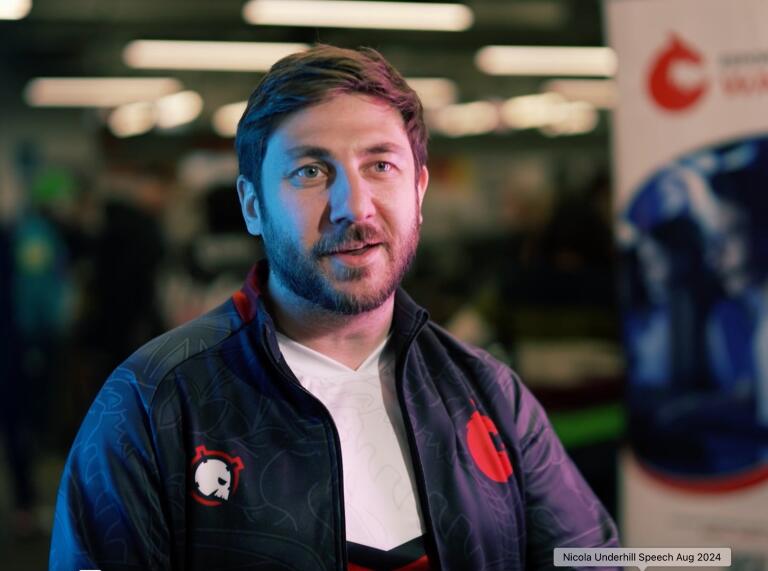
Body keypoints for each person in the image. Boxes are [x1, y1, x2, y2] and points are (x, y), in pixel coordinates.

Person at [50, 45, 619, 571]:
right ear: (253, 206)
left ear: (418, 191)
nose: (354, 206)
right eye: (311, 171)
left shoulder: (489, 395)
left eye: (380, 166)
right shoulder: (152, 406)